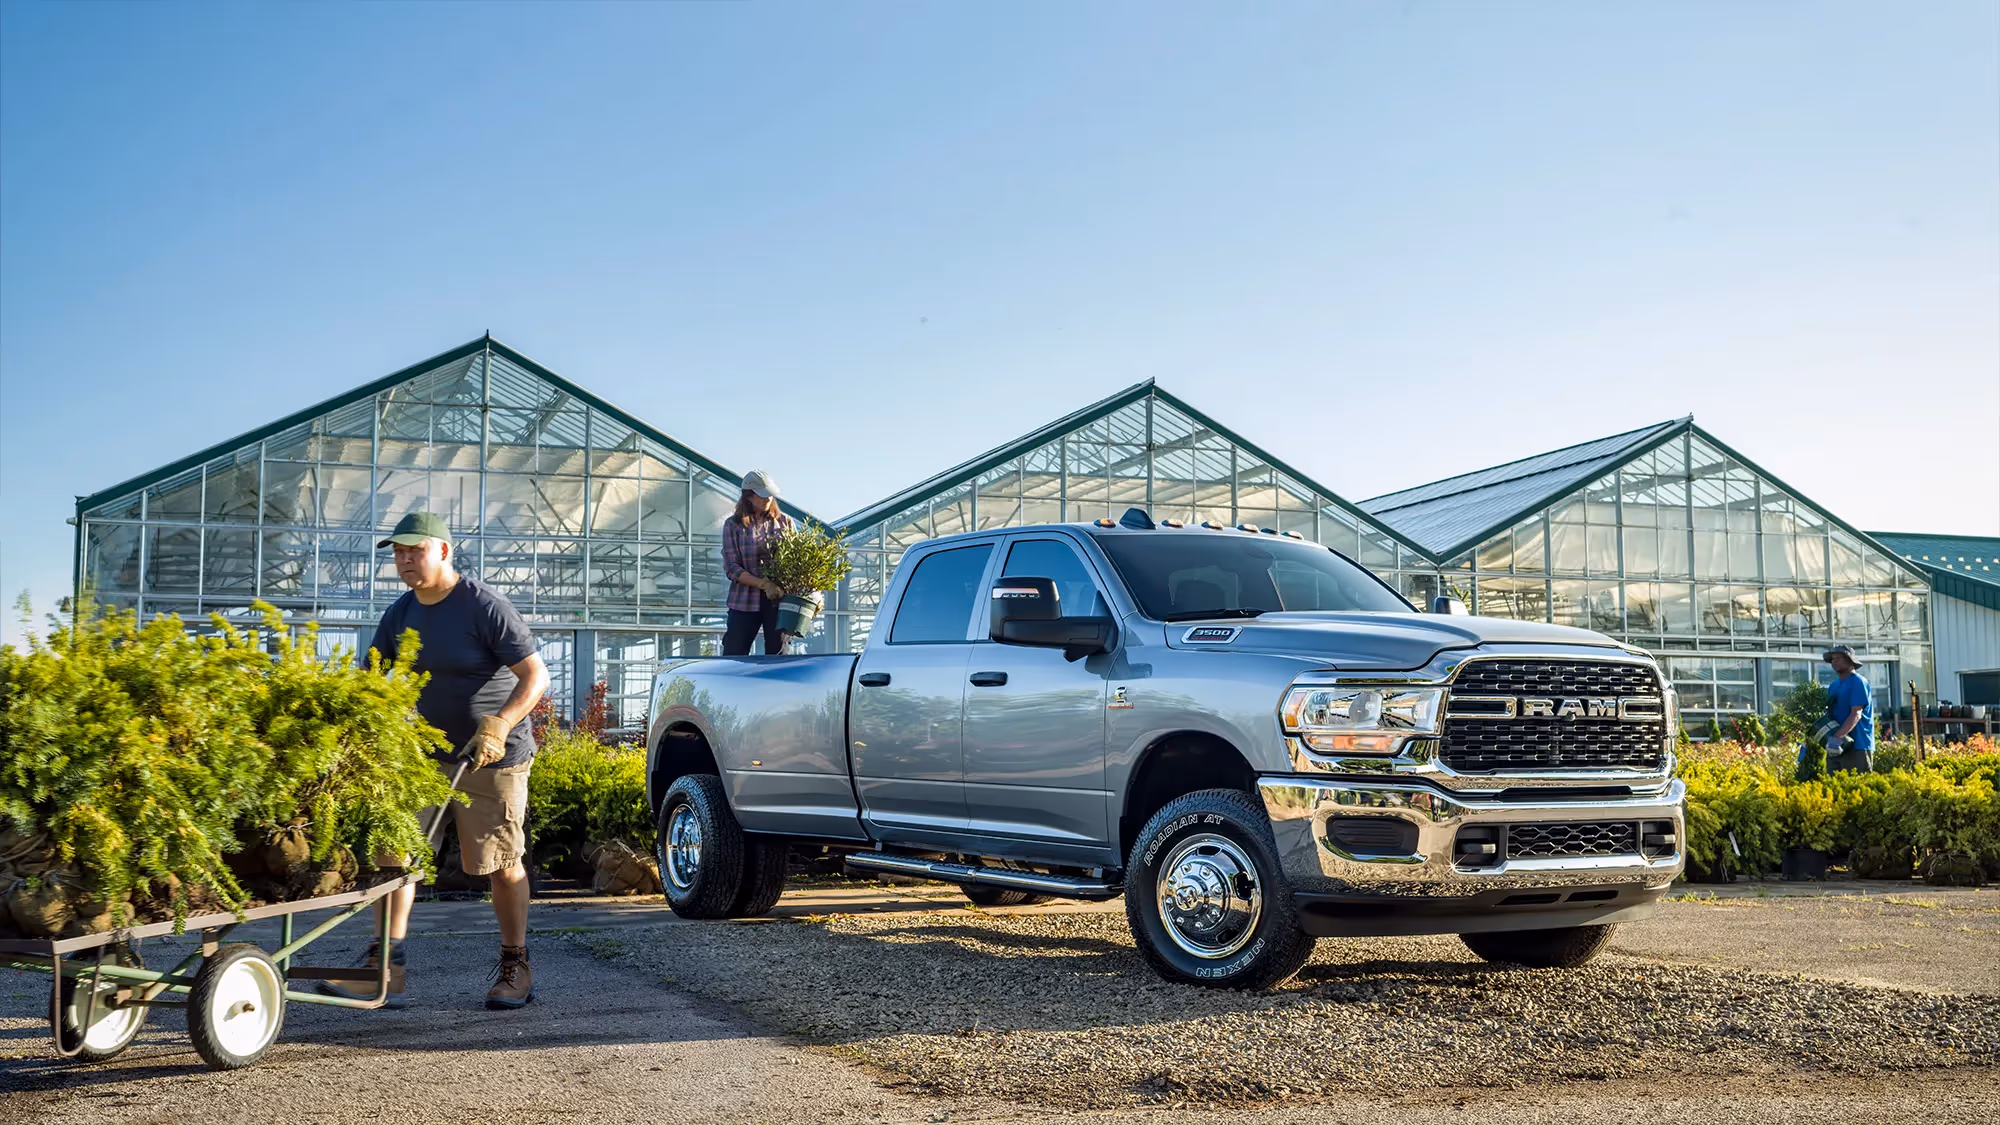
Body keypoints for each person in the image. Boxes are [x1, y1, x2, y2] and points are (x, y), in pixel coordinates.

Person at [322, 511, 550, 1010]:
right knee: (393, 853)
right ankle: (387, 968)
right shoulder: (400, 614)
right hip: (422, 758)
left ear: (443, 551)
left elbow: (536, 677)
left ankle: (517, 966)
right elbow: (372, 682)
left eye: (414, 550)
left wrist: (500, 724)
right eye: (398, 553)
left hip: (492, 757)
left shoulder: (484, 606)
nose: (404, 560)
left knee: (500, 864)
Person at [720, 470, 793, 656]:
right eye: (762, 495)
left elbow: (796, 562)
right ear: (749, 497)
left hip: (778, 601)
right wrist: (763, 584)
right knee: (733, 654)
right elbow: (732, 567)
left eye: (770, 495)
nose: (767, 499)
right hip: (743, 601)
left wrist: (813, 594)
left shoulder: (785, 523)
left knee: (778, 657)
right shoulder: (733, 525)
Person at [1821, 644, 1875, 773]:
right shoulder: (1834, 686)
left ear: (1850, 660)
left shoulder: (1858, 682)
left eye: (1839, 658)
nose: (1834, 662)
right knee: (1834, 788)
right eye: (1833, 659)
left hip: (1858, 745)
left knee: (1857, 787)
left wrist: (1837, 738)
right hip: (1837, 746)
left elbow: (1856, 714)